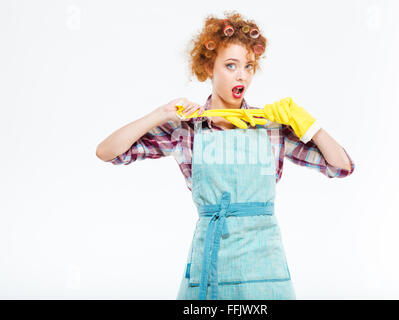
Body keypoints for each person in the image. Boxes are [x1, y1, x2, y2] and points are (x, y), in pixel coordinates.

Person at [96, 11, 355, 300]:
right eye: (231, 65)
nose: (242, 74)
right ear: (209, 67)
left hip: (264, 271)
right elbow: (108, 152)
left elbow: (341, 166)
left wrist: (308, 124)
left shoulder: (271, 126)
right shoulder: (186, 128)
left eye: (248, 66)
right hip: (210, 266)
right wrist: (162, 113)